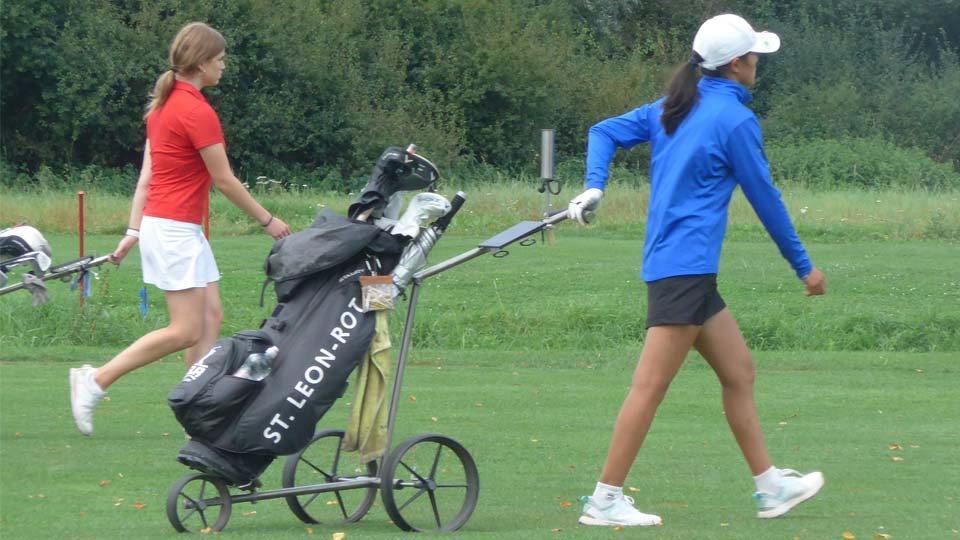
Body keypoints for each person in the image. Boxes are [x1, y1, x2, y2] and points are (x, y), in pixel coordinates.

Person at [567, 14, 827, 527]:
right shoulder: (734, 121)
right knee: (649, 387)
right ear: (737, 64)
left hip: (686, 273)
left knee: (739, 372)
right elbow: (766, 200)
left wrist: (596, 183)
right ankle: (604, 500)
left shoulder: (675, 105)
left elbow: (602, 133)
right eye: (755, 56)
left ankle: (770, 486)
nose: (759, 64)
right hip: (683, 272)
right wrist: (804, 267)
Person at [69, 22, 292, 436]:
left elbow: (147, 177)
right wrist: (268, 220)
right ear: (202, 62)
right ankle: (95, 380)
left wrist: (134, 231)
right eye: (220, 59)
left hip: (173, 227)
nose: (224, 66)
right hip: (172, 229)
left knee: (210, 319)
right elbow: (224, 180)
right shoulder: (195, 111)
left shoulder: (165, 106)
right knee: (186, 329)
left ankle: (197, 410)